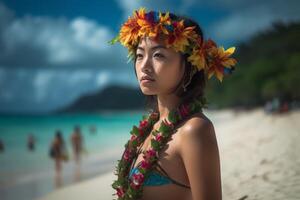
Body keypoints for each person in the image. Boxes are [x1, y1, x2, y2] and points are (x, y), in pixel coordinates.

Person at [110, 8, 237, 200]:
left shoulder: (194, 129)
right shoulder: (151, 127)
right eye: (139, 55)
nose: (144, 65)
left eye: (158, 55)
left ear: (189, 65)